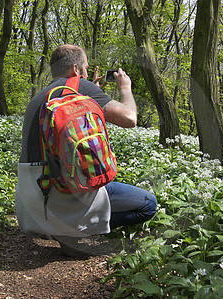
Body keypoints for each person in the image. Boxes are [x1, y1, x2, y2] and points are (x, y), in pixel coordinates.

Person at [15, 45, 156, 254]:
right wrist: (125, 88)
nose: (88, 73)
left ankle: (58, 226)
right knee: (148, 204)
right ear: (75, 69)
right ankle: (72, 231)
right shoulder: (82, 88)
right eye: (86, 68)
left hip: (33, 200)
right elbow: (129, 118)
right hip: (63, 196)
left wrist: (93, 90)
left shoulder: (41, 96)